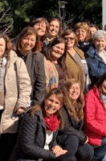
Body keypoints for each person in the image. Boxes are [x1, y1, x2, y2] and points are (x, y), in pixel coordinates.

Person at [13, 89, 70, 161]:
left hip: (45, 157)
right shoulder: (33, 115)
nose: (52, 105)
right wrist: (51, 154)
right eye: (51, 100)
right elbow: (27, 146)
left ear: (60, 106)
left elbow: (50, 141)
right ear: (45, 99)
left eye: (56, 103)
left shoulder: (55, 119)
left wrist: (56, 146)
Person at [0, 33, 31, 161]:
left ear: (6, 46)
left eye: (0, 44)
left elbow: (25, 84)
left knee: (6, 149)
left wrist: (22, 104)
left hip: (10, 113)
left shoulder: (16, 61)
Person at [58, 80, 94, 161]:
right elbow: (64, 127)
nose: (75, 91)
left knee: (88, 151)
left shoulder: (79, 104)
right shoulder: (62, 105)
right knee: (72, 143)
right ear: (66, 90)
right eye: (72, 88)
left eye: (77, 88)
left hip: (76, 137)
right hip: (63, 137)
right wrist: (82, 137)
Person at [15, 27, 46, 106]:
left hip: (29, 101)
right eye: (26, 38)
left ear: (36, 42)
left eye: (32, 40)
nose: (29, 42)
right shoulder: (12, 54)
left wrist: (36, 104)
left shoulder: (38, 57)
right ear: (20, 39)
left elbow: (40, 83)